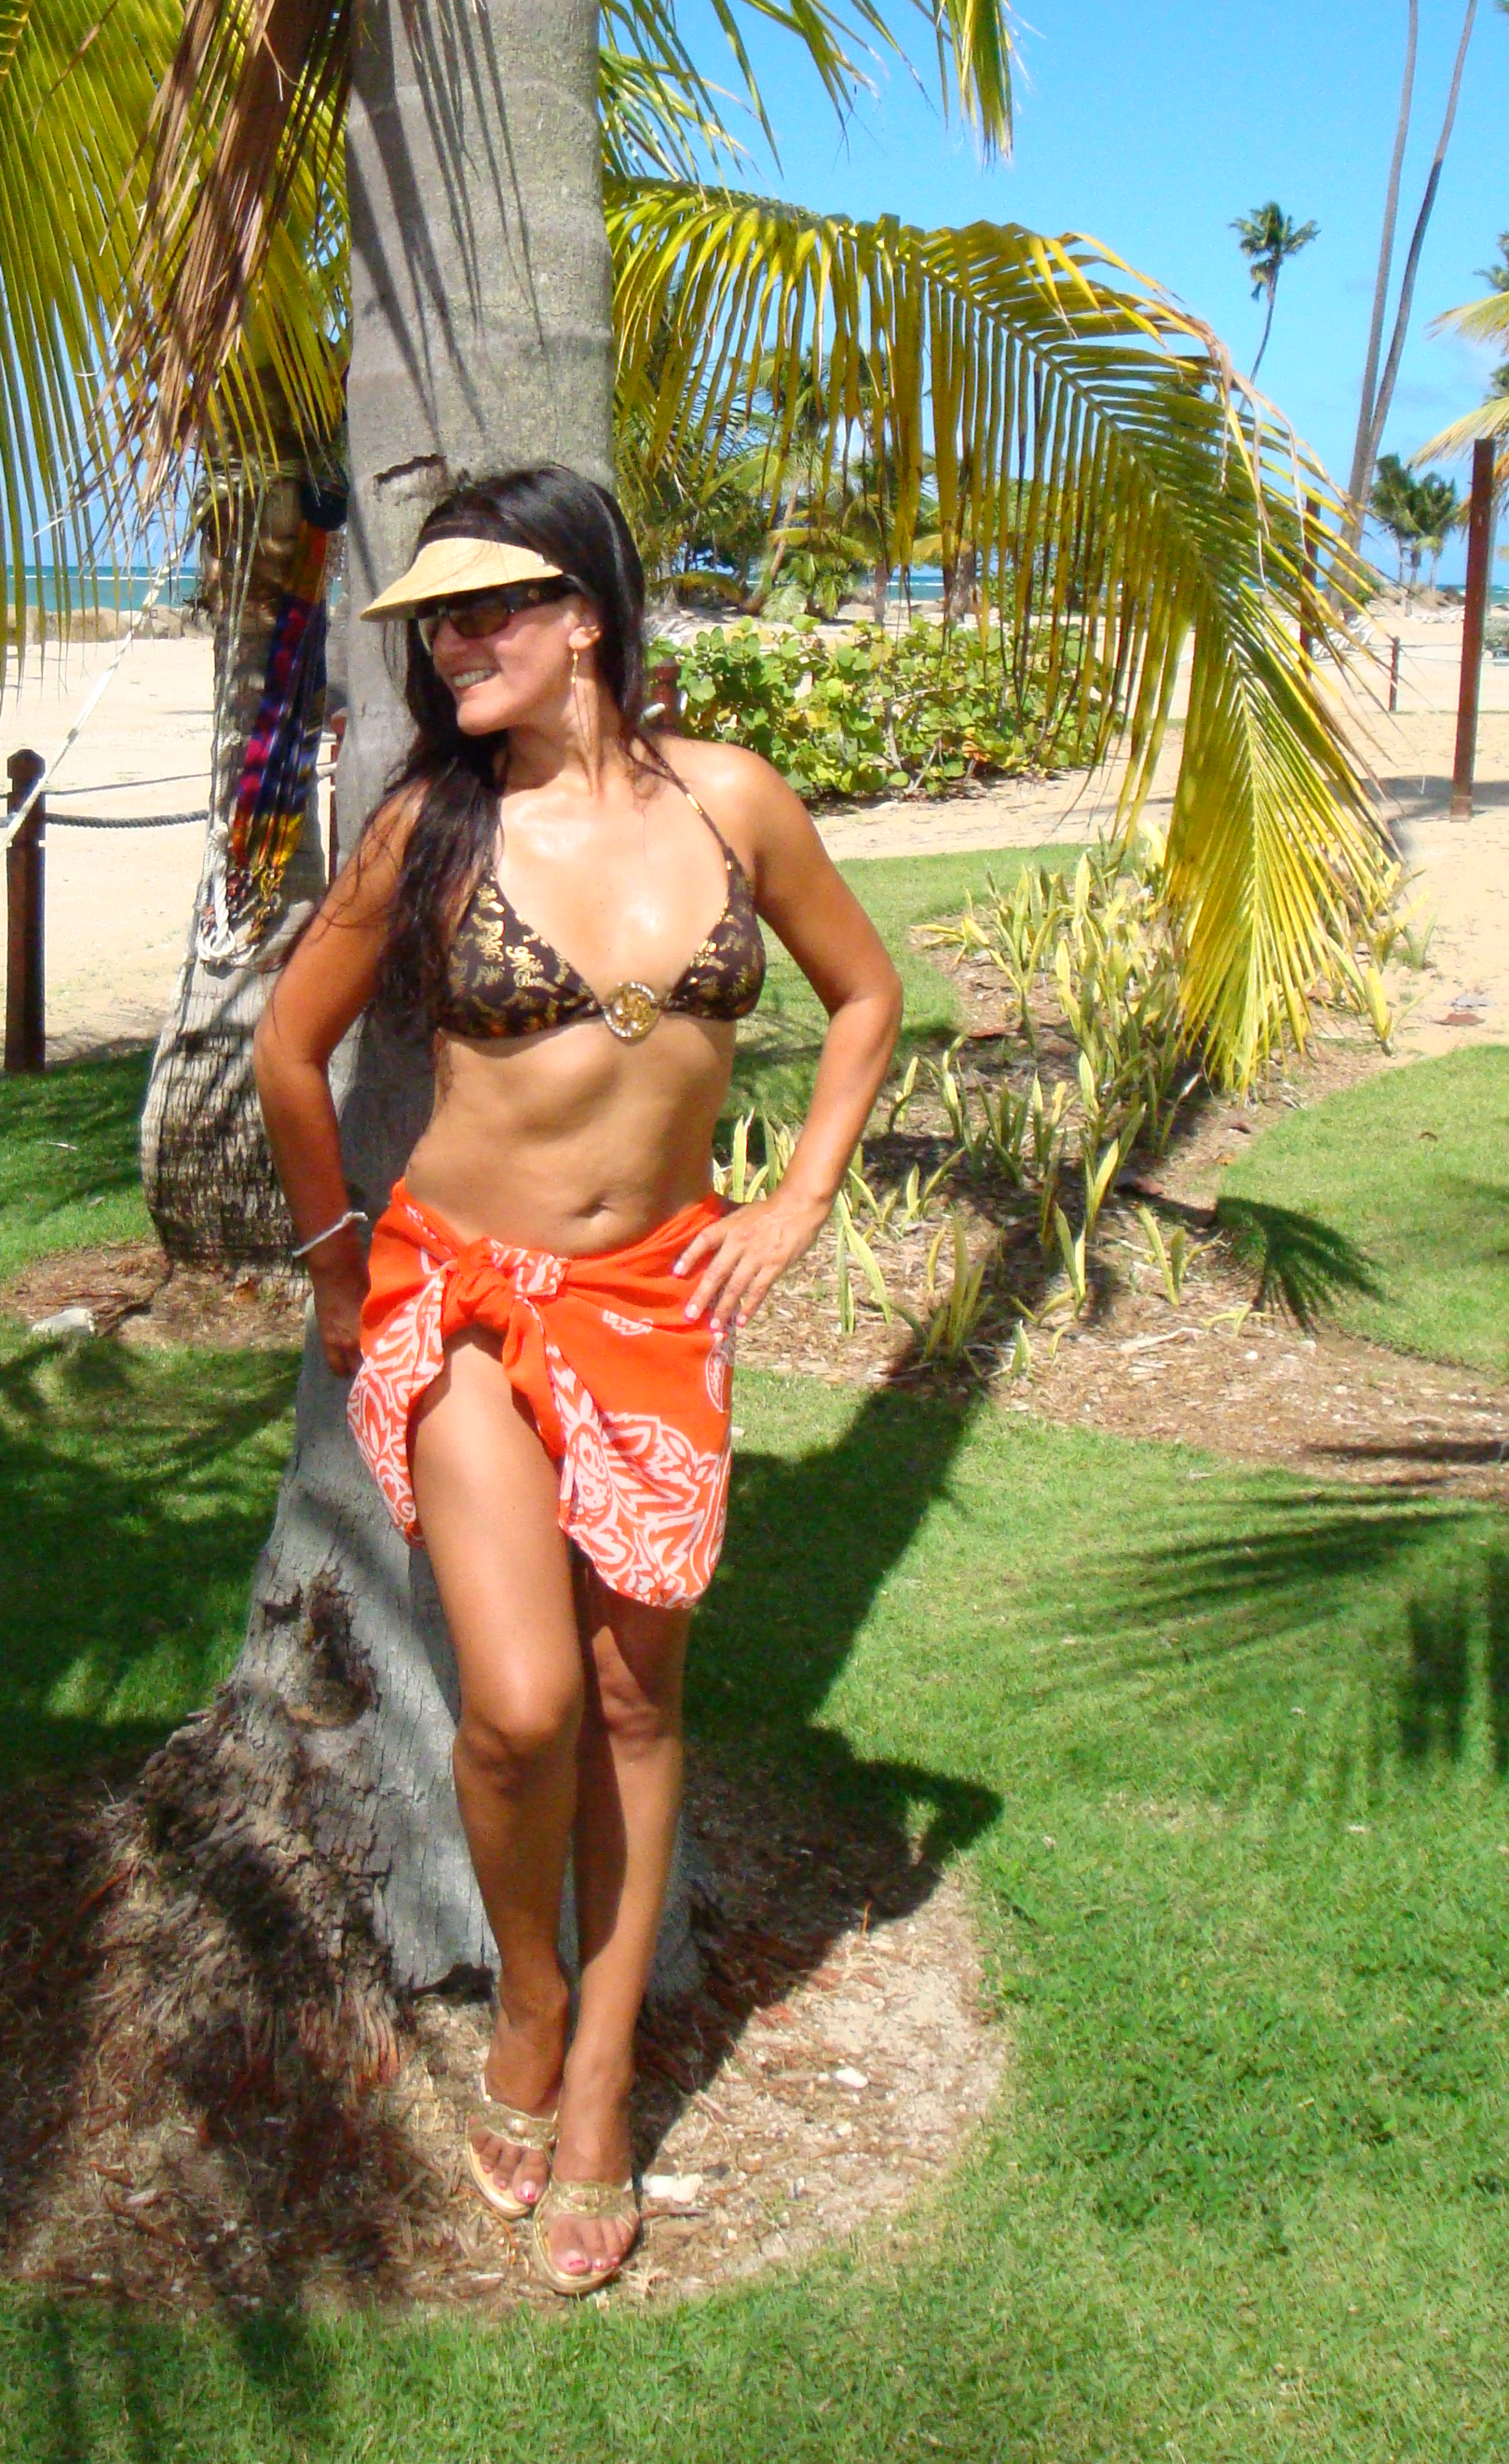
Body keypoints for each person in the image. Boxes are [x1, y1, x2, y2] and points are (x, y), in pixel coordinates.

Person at [254, 466, 901, 2294]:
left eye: (489, 611)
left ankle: (598, 2084)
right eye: (438, 622)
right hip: (461, 1300)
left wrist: (795, 1202)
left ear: (587, 617)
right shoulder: (427, 831)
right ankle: (528, 1999)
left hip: (657, 1311)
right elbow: (292, 1053)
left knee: (632, 1703)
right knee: (524, 1708)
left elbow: (864, 997)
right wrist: (336, 1269)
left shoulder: (732, 802)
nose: (455, 646)